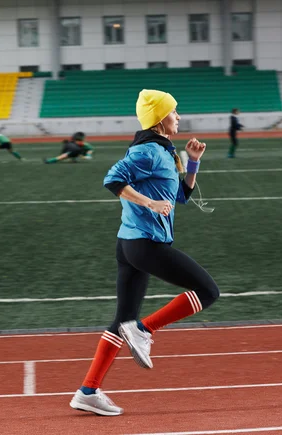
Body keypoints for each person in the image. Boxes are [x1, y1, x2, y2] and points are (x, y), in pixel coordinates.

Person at [69, 89, 220, 417]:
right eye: (174, 112)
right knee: (208, 291)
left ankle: (89, 390)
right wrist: (149, 203)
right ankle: (145, 329)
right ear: (159, 118)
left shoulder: (165, 152)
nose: (179, 117)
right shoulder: (148, 150)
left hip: (130, 245)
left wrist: (193, 161)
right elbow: (112, 180)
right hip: (144, 244)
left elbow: (181, 196)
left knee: (120, 320)